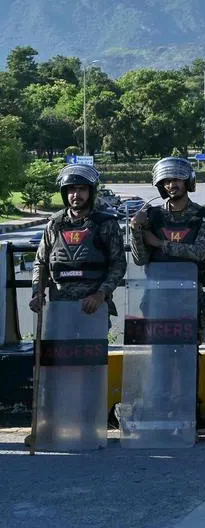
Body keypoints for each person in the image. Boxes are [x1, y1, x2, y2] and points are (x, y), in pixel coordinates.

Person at [27, 164, 126, 447]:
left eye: (81, 189)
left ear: (90, 192)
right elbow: (41, 263)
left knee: (88, 371)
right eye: (71, 190)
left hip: (91, 310)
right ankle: (52, 427)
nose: (75, 195)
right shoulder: (54, 224)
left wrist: (102, 294)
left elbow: (118, 264)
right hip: (59, 311)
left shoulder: (105, 224)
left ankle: (88, 426)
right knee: (56, 370)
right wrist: (38, 291)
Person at [130, 157, 205, 343]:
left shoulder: (203, 217)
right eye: (167, 181)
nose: (172, 185)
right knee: (159, 358)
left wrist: (160, 244)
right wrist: (135, 231)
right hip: (158, 297)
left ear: (188, 181)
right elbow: (140, 259)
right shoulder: (152, 216)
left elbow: (198, 253)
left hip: (189, 297)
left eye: (177, 180)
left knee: (188, 359)